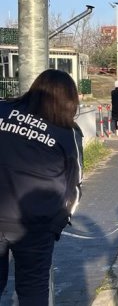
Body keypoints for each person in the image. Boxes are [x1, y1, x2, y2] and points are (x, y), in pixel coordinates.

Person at [0, 69, 84, 305]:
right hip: (35, 226)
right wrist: (56, 225)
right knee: (33, 290)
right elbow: (74, 186)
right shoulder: (67, 134)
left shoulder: (2, 110)